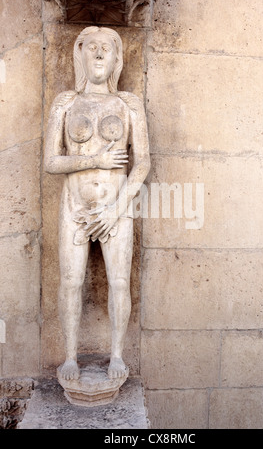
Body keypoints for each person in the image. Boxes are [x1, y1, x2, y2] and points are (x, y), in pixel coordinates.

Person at [44, 26, 150, 381]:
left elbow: (144, 164)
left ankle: (117, 356)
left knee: (120, 282)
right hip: (74, 207)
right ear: (81, 55)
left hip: (115, 210)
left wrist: (115, 210)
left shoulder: (127, 104)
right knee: (70, 282)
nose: (100, 54)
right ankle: (70, 357)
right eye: (92, 48)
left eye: (108, 48)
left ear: (117, 59)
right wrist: (96, 162)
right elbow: (51, 162)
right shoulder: (65, 103)